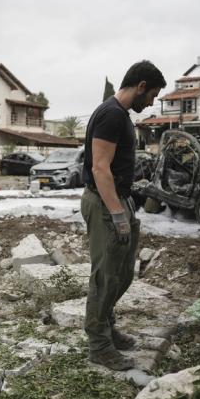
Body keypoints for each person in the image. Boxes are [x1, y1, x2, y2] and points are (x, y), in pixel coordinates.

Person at [81, 60, 166, 370]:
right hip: (106, 204)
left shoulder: (121, 116)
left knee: (122, 274)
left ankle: (107, 327)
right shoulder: (111, 115)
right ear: (141, 86)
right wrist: (117, 213)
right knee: (105, 277)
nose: (152, 101)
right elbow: (99, 167)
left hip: (118, 200)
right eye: (152, 94)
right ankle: (99, 344)